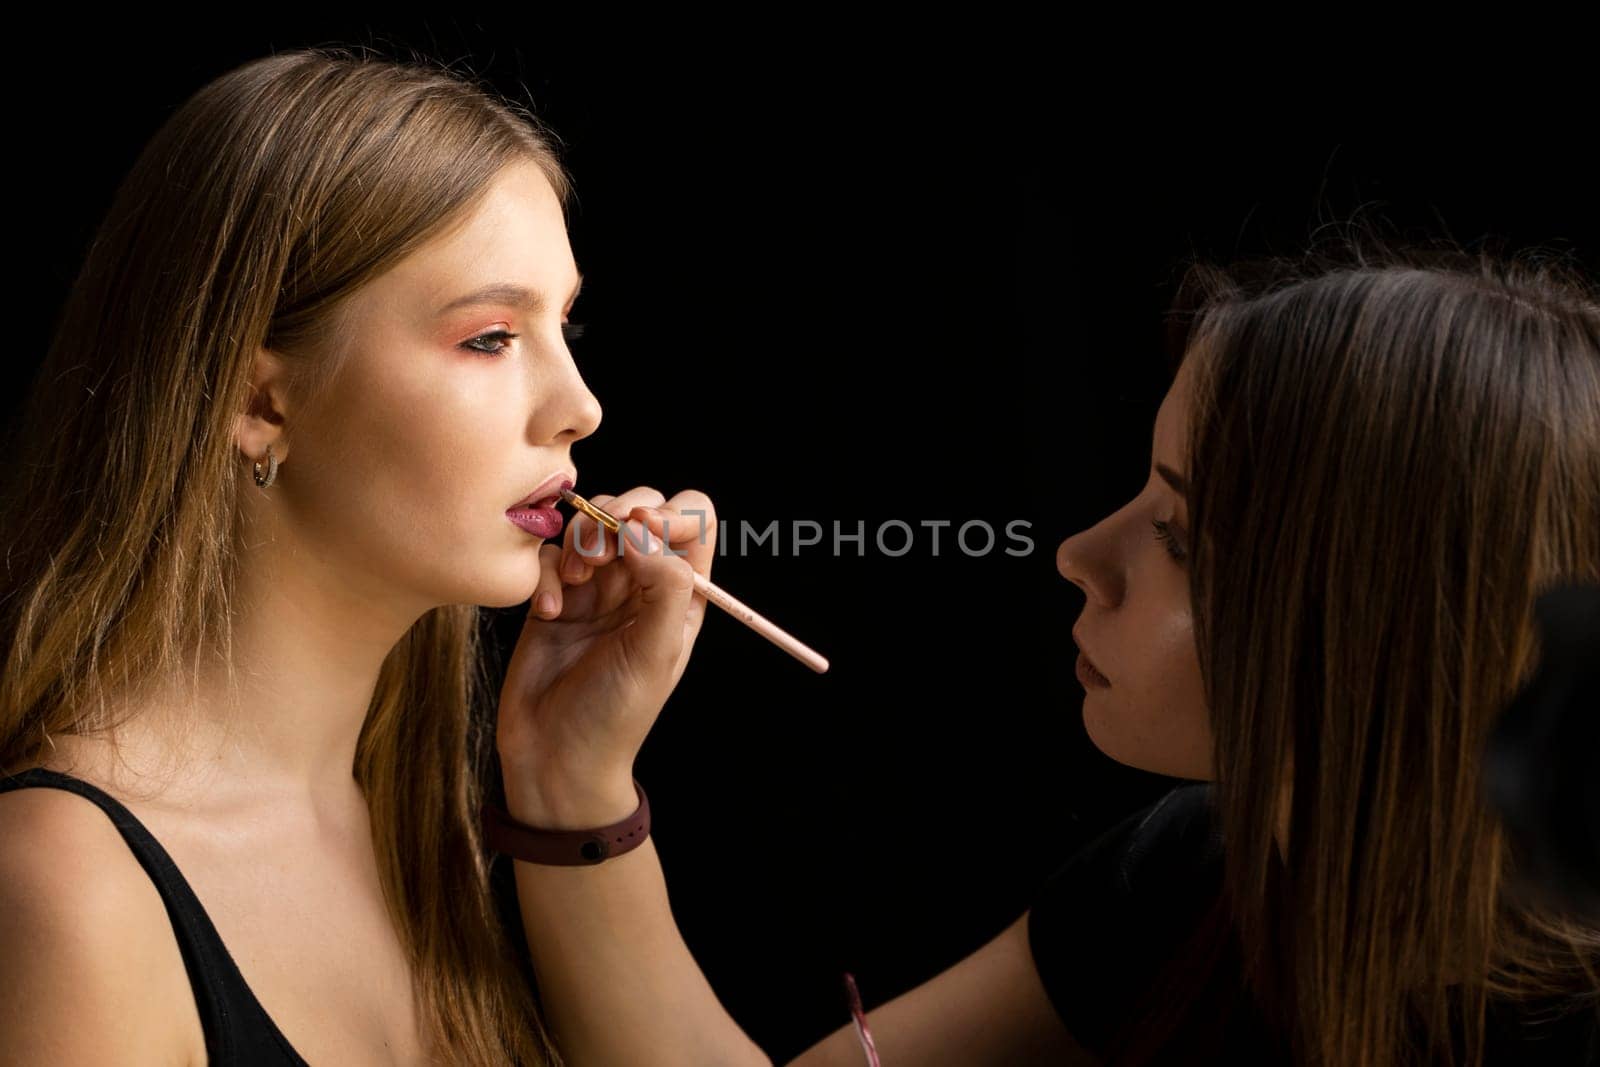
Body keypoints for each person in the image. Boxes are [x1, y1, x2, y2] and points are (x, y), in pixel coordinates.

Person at [493, 234, 1600, 1065]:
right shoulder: (1212, 867)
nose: (1078, 554)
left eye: (1176, 534)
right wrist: (572, 770)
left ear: (1384, 617)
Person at [0, 45, 723, 1065]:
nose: (581, 407)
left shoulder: (430, 832)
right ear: (260, 400)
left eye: (562, 324)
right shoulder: (67, 887)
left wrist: (578, 778)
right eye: (489, 337)